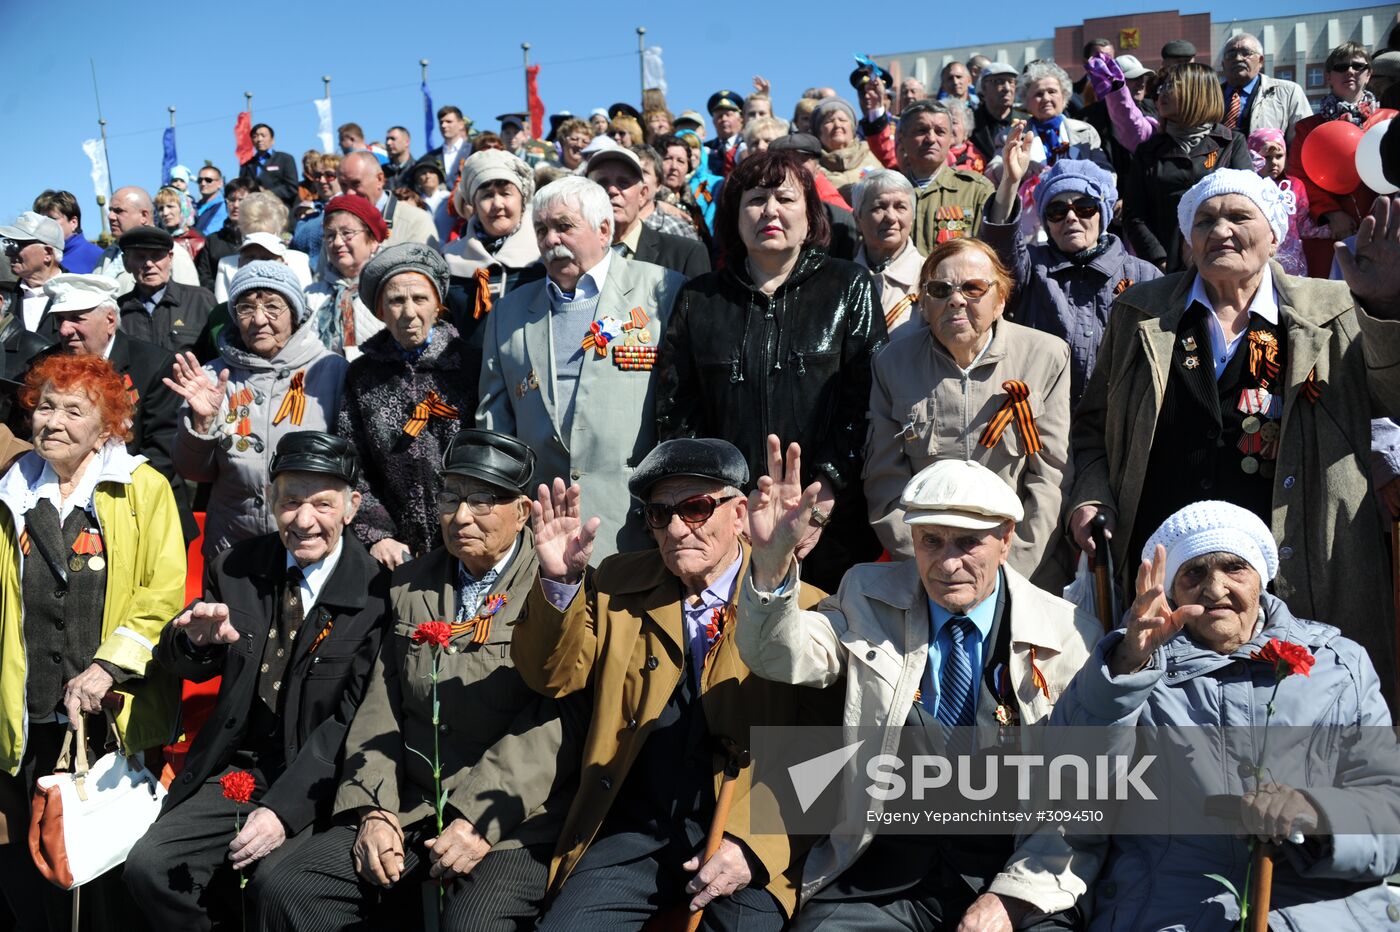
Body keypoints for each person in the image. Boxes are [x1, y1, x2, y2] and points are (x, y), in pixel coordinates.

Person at [1069, 174, 1400, 699]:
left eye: (1239, 217)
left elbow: (1393, 395)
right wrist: (1091, 498)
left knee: (1300, 707)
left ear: (1275, 235)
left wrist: (1384, 309)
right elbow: (1090, 432)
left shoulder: (1335, 307)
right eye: (1204, 221)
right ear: (1187, 239)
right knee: (1169, 710)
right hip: (1171, 566)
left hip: (1304, 559)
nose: (1220, 230)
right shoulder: (1141, 312)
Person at [740, 452, 1098, 930]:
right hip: (882, 879)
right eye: (932, 541)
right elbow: (779, 655)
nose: (948, 563)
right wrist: (770, 562)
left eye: (969, 543)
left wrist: (1012, 899)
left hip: (1013, 876)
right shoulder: (866, 594)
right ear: (912, 540)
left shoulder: (1071, 635)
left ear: (1006, 540)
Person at [257, 429, 582, 931]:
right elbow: (381, 704)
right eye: (451, 497)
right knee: (287, 887)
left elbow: (554, 720)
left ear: (522, 512)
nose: (462, 515)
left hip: (513, 817)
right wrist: (373, 808)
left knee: (471, 925)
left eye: (482, 500)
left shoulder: (560, 585)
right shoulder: (411, 584)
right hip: (412, 806)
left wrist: (477, 820)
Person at [515, 438, 831, 932]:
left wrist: (753, 845)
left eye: (697, 507)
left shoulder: (808, 608)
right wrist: (560, 583)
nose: (678, 528)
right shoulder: (618, 582)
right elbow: (552, 676)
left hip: (750, 831)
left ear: (740, 514)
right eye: (660, 514)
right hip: (635, 829)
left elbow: (828, 753)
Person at [1045, 501, 1400, 931]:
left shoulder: (1337, 664)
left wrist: (1317, 812)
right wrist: (1128, 665)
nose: (1215, 590)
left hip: (1319, 913)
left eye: (1234, 568)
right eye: (1193, 573)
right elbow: (1067, 788)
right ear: (1171, 591)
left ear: (1262, 580)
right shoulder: (1132, 664)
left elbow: (1389, 808)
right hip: (1171, 913)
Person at [125, 431, 388, 930]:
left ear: (352, 507)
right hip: (237, 772)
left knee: (275, 886)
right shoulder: (236, 567)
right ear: (270, 500)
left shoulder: (377, 592)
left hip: (319, 777)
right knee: (152, 868)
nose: (304, 520)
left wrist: (283, 812)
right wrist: (195, 644)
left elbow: (348, 722)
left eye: (322, 504)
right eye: (290, 502)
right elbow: (186, 660)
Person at [0, 353, 184, 931]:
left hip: (111, 711)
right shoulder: (10, 492)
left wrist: (109, 666)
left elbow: (164, 589)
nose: (51, 421)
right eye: (45, 406)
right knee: (34, 862)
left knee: (106, 863)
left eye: (72, 411)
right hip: (28, 709)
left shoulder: (142, 488)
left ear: (106, 428)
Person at [654, 150, 886, 591]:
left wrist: (820, 503)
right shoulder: (699, 299)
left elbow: (868, 401)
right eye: (756, 199)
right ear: (736, 216)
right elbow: (678, 413)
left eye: (786, 198)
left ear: (810, 212)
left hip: (833, 527)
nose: (771, 210)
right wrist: (722, 507)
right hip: (725, 523)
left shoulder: (848, 286)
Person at [477, 176, 684, 562]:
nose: (551, 239)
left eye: (564, 226)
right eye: (541, 229)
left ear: (604, 230)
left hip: (639, 521)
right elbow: (495, 423)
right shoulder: (509, 312)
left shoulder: (663, 290)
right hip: (545, 530)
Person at [864, 237, 1071, 585]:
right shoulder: (891, 365)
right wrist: (933, 568)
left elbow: (1051, 477)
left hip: (1022, 570)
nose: (956, 299)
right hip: (925, 573)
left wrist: (1007, 572)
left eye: (974, 288)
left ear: (1000, 300)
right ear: (925, 305)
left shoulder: (1046, 356)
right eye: (940, 290)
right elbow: (885, 484)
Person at [167, 262, 347, 560]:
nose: (259, 319)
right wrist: (202, 425)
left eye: (273, 306)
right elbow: (193, 471)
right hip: (232, 547)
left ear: (295, 312)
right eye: (246, 308)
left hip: (309, 541)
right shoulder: (212, 377)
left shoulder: (331, 371)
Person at [984, 133, 1161, 407]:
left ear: (1102, 214)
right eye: (1057, 210)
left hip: (1114, 423)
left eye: (1085, 207)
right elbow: (998, 248)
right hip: (1038, 418)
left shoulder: (1144, 276)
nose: (1071, 217)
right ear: (1046, 222)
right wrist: (1009, 181)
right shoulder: (1031, 267)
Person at [337, 244, 473, 569]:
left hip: (470, 537)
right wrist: (378, 535)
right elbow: (352, 461)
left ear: (438, 305)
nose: (409, 312)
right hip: (395, 552)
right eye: (396, 301)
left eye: (420, 299)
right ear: (380, 311)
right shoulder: (363, 376)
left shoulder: (470, 365)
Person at [45, 273, 198, 542]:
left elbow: (162, 452)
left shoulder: (154, 364)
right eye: (60, 320)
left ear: (110, 321)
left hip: (142, 510)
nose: (65, 330)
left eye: (77, 318)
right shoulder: (46, 363)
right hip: (64, 509)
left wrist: (105, 499)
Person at [1124, 63, 1252, 273]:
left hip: (1223, 261)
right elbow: (1134, 215)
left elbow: (1247, 205)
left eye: (1171, 86)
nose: (1161, 92)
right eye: (1161, 87)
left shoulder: (1231, 143)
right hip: (1166, 270)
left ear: (1198, 91)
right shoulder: (1148, 151)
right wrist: (1159, 261)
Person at [443, 149, 543, 376]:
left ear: (522, 199)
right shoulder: (450, 260)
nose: (497, 204)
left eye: (506, 193)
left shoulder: (544, 256)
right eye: (487, 195)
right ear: (474, 204)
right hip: (470, 382)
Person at [1289, 42, 1381, 276]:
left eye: (1358, 66)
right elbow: (1299, 177)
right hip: (1329, 235)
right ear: (1328, 76)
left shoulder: (1388, 123)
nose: (1350, 71)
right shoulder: (1307, 128)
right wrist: (1331, 213)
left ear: (1368, 74)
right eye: (1341, 66)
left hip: (1383, 232)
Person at [586, 146, 710, 278]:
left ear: (642, 194)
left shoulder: (686, 253)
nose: (612, 190)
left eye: (623, 183)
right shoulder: (574, 249)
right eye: (601, 182)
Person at [896, 100, 995, 254]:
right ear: (902, 139)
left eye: (940, 132)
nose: (931, 139)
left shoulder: (975, 190)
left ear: (950, 138)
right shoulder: (888, 191)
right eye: (921, 130)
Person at [115, 225, 216, 356]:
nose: (149, 264)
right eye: (140, 257)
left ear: (170, 258)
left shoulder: (200, 301)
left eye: (156, 256)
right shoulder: (117, 311)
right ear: (126, 263)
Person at [850, 170, 923, 337]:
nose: (891, 217)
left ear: (912, 217)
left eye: (900, 207)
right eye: (879, 207)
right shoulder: (840, 281)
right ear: (857, 219)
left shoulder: (931, 277)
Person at [211, 192, 313, 302]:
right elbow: (223, 309)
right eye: (251, 256)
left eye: (267, 256)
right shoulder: (227, 265)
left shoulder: (299, 260)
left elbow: (305, 306)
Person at [97, 185, 201, 292]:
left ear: (144, 215)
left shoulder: (173, 252)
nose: (110, 216)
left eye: (119, 211)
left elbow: (190, 301)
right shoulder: (109, 254)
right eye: (111, 210)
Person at [1220, 33, 1313, 142]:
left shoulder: (1288, 93)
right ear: (1223, 64)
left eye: (1246, 53)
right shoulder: (1208, 96)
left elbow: (1303, 141)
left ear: (1260, 61)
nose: (1238, 58)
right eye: (1231, 54)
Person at [338, 151, 440, 249]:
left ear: (379, 179)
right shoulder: (335, 223)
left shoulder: (416, 221)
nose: (349, 193)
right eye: (343, 185)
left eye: (356, 183)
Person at [1248, 129, 1309, 277]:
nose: (1274, 162)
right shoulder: (1248, 186)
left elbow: (1303, 223)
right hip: (1260, 258)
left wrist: (1329, 230)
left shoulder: (1295, 186)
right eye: (1267, 158)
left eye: (1279, 156)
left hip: (1292, 262)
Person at [1, 210, 65, 332]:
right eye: (9, 243)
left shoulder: (77, 294)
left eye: (19, 244)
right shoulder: (6, 299)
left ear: (47, 253)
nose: (9, 252)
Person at [811, 97, 883, 203]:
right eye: (829, 121)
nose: (837, 125)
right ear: (818, 132)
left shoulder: (871, 155)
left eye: (842, 120)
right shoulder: (813, 166)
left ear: (853, 128)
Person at [195, 178, 258, 291]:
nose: (236, 205)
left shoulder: (262, 240)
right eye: (232, 200)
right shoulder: (213, 241)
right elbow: (204, 278)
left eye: (241, 200)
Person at [289, 153, 343, 268]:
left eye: (329, 175)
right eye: (317, 176)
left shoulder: (349, 208)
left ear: (341, 177)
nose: (322, 180)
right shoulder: (311, 212)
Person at [33, 189, 104, 274]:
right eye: (41, 221)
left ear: (73, 222)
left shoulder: (99, 258)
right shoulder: (34, 258)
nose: (44, 226)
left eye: (51, 220)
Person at [969, 62, 1023, 164]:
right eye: (999, 81)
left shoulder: (1027, 120)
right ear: (984, 88)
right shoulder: (970, 123)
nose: (1007, 88)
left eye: (1011, 82)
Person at [850, 61, 899, 170]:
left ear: (884, 95)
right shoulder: (852, 131)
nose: (868, 96)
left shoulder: (902, 125)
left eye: (873, 90)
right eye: (862, 93)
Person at [239, 123, 300, 208]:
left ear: (272, 139)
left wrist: (268, 193)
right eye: (255, 136)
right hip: (256, 212)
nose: (259, 139)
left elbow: (291, 188)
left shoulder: (285, 159)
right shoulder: (246, 166)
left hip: (281, 209)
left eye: (263, 136)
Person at [417, 106, 472, 192]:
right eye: (441, 122)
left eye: (448, 122)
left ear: (461, 124)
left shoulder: (473, 150)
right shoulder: (431, 157)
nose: (443, 125)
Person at [156, 185, 206, 264]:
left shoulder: (201, 243)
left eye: (170, 206)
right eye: (160, 209)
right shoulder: (155, 242)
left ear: (183, 208)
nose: (165, 213)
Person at [705, 90, 745, 177]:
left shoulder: (748, 145)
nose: (724, 119)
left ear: (741, 119)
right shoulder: (706, 148)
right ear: (713, 121)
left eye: (728, 115)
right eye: (719, 116)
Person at [192, 165, 227, 236]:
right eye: (200, 180)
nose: (203, 183)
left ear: (220, 183)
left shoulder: (223, 207)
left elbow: (210, 234)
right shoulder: (194, 206)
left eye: (208, 180)